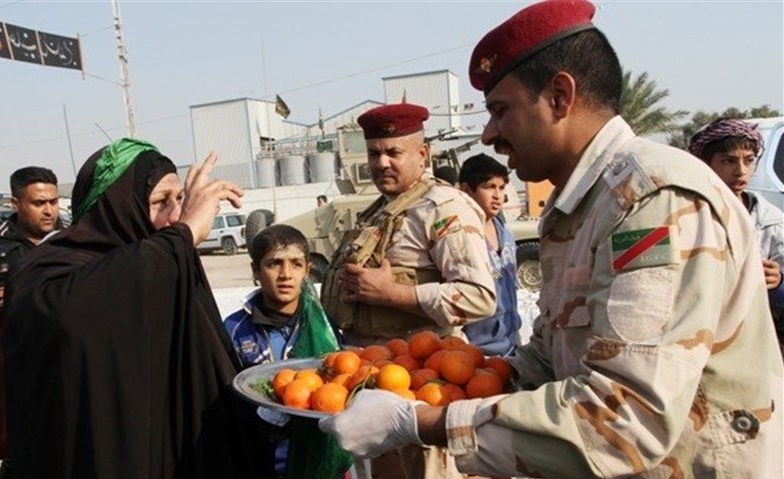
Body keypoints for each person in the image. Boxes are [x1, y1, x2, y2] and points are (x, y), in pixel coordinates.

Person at [320, 1, 784, 477]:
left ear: (561, 96)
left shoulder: (653, 200)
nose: (488, 135)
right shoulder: (579, 208)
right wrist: (452, 381)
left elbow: (627, 418)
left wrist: (426, 422)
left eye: (500, 111)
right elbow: (552, 355)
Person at [2, 138, 274, 479]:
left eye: (180, 200)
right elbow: (70, 313)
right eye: (160, 201)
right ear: (115, 208)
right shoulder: (49, 269)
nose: (175, 215)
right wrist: (184, 233)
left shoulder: (165, 259)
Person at [320, 102, 496, 478]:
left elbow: (480, 296)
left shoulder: (445, 206)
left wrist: (394, 295)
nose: (382, 162)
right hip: (375, 381)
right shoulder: (379, 210)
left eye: (393, 152)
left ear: (423, 154)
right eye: (374, 153)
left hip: (423, 388)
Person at [223, 224, 351, 479]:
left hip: (320, 458)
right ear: (256, 271)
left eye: (296, 264)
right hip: (261, 461)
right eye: (274, 264)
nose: (286, 274)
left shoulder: (324, 325)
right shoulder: (234, 329)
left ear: (307, 271)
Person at [0, 166, 60, 474]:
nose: (49, 211)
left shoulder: (70, 242)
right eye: (38, 203)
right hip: (10, 375)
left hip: (58, 370)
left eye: (53, 202)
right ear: (16, 204)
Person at [688, 118, 784, 353]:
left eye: (749, 161)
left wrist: (778, 282)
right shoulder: (689, 215)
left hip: (758, 343)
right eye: (728, 161)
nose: (741, 171)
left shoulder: (770, 220)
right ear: (705, 164)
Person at [458, 154, 520, 356]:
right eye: (489, 187)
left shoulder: (506, 234)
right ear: (466, 190)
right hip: (477, 352)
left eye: (501, 188)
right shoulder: (461, 238)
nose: (497, 195)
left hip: (511, 345)